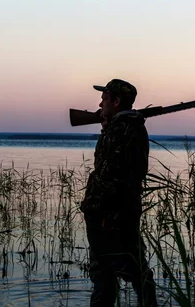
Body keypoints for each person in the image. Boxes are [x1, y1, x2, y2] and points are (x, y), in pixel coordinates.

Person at [80, 79, 157, 307]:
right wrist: (106, 126)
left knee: (114, 274)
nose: (100, 102)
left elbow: (108, 175)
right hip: (120, 212)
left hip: (109, 216)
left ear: (116, 101)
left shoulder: (121, 129)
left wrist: (93, 209)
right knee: (127, 271)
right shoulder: (128, 127)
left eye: (104, 98)